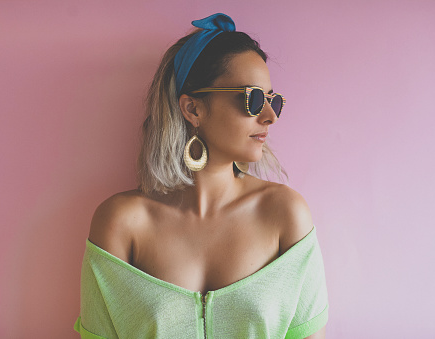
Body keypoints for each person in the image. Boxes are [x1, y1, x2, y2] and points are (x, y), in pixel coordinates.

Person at [74, 13, 329, 339]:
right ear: (193, 109)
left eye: (272, 101)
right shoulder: (122, 223)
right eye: (251, 99)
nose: (269, 117)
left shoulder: (284, 214)